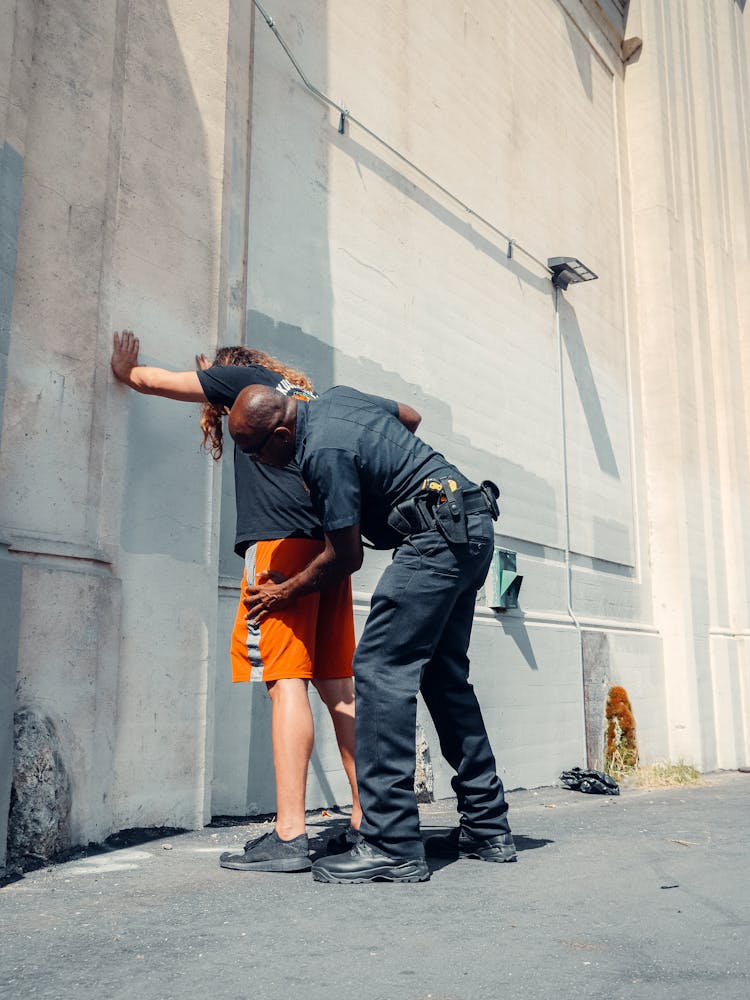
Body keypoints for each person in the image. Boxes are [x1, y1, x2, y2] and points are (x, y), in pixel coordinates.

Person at [228, 383, 516, 884]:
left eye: (253, 452)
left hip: (436, 538)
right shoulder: (336, 399)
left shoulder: (321, 454)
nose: (254, 462)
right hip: (470, 522)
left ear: (278, 435)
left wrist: (284, 592)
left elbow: (345, 557)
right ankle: (488, 827)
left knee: (381, 669)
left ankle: (391, 843)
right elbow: (409, 415)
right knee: (444, 677)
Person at [110, 332, 375, 873]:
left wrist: (127, 371)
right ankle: (369, 818)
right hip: (328, 551)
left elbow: (161, 383)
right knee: (338, 688)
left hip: (280, 553)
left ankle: (290, 834)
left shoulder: (236, 383)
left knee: (286, 685)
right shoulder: (299, 397)